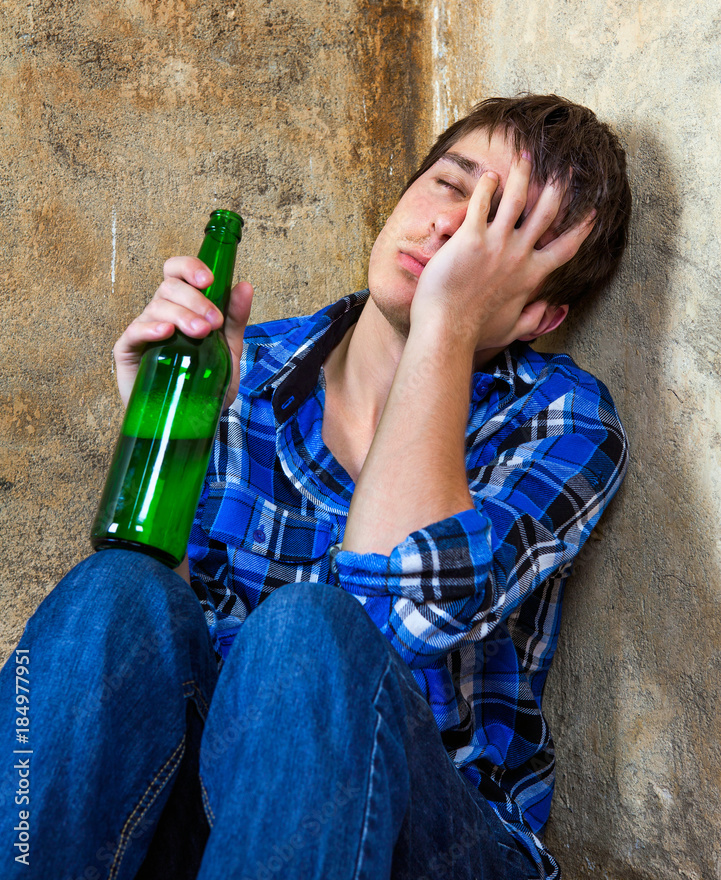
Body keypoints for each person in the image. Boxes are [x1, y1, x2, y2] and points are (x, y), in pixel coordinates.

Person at [1, 94, 631, 880]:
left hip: (427, 835)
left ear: (540, 312)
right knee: (114, 590)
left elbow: (386, 618)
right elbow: (156, 657)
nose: (449, 227)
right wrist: (165, 445)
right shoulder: (241, 370)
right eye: (448, 185)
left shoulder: (561, 420)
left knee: (309, 630)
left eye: (497, 228)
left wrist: (447, 319)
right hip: (231, 823)